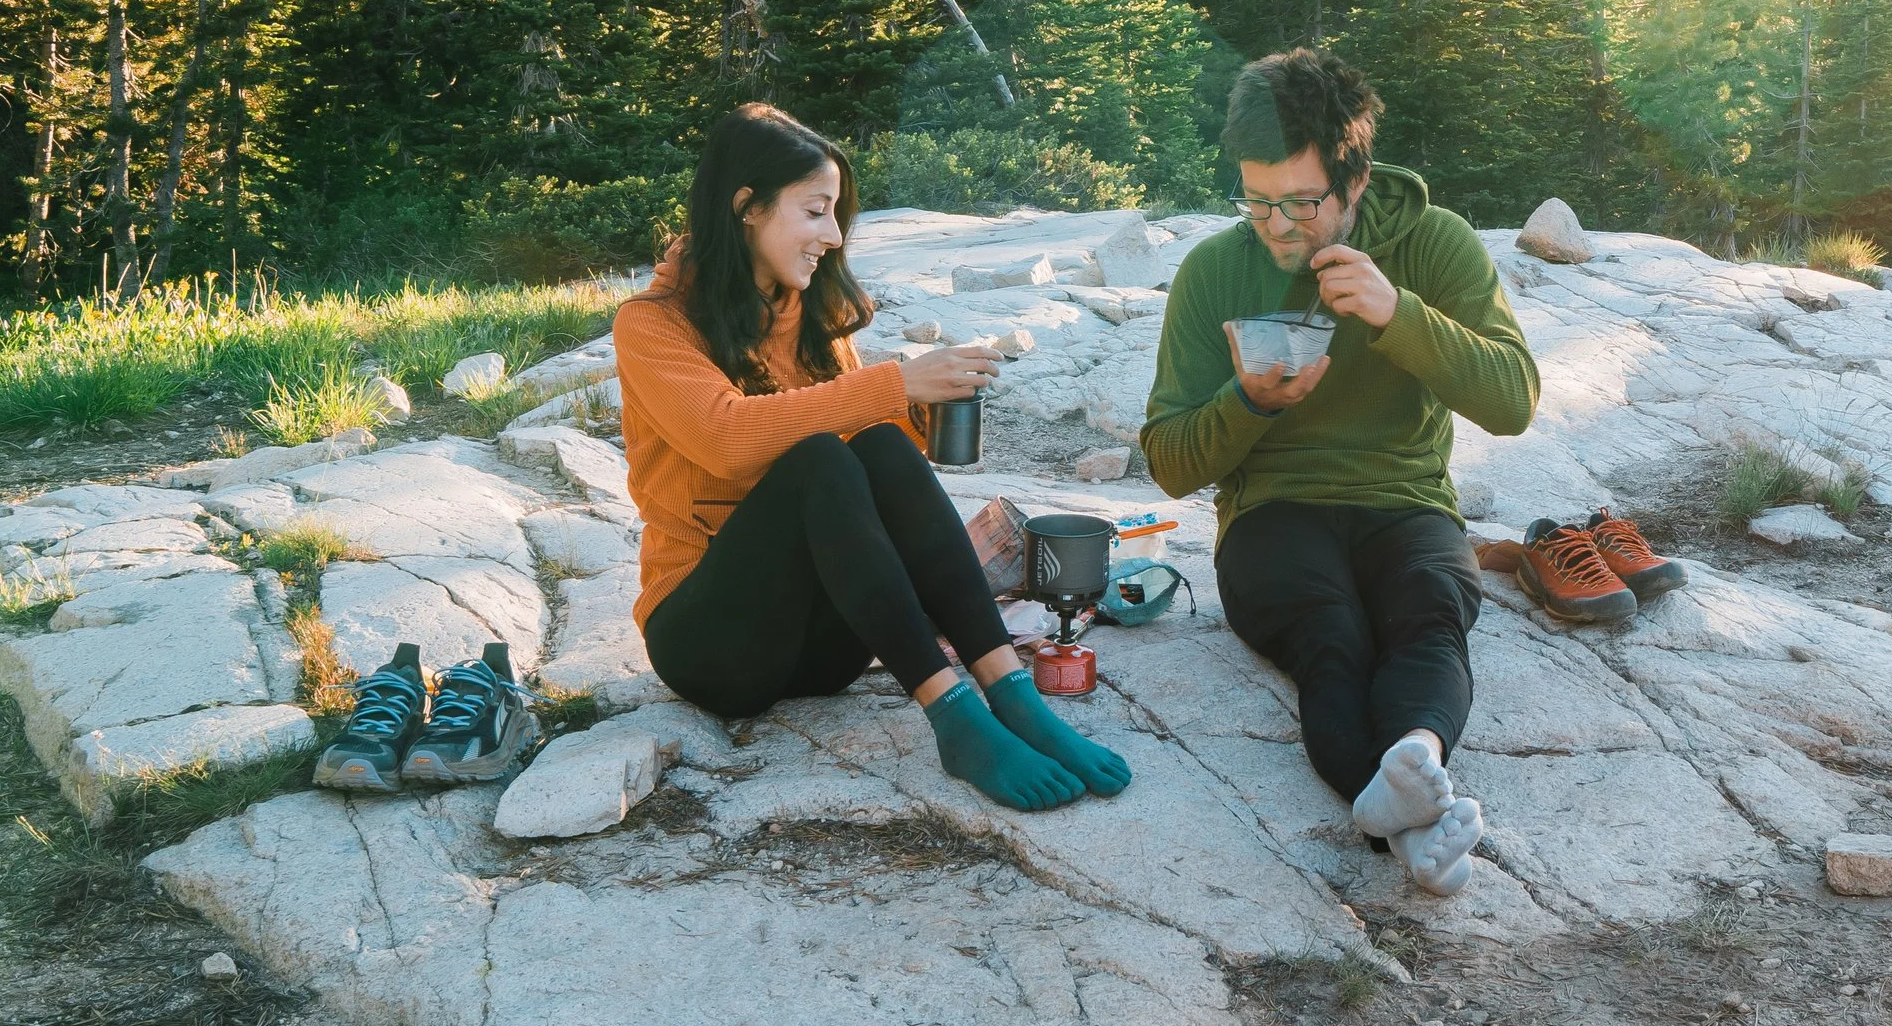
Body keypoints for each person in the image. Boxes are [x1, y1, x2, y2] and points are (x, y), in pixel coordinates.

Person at [614, 103, 1132, 812]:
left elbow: (863, 465)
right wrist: (892, 382)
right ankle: (957, 722)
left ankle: (1011, 694)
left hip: (827, 650)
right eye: (815, 211)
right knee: (820, 459)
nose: (832, 235)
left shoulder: (812, 314)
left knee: (879, 443)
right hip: (713, 645)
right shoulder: (653, 324)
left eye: (836, 215)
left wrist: (916, 406)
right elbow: (726, 440)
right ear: (746, 208)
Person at [1140, 50, 1538, 895]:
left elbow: (1512, 400)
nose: (1276, 225)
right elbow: (1171, 463)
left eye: (1301, 202)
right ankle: (1409, 824)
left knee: (1430, 610)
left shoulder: (1434, 243)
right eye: (1256, 199)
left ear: (1355, 183)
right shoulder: (1215, 269)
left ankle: (1415, 764)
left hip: (1405, 501)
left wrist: (1399, 315)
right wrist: (1249, 402)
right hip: (1273, 511)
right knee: (1332, 635)